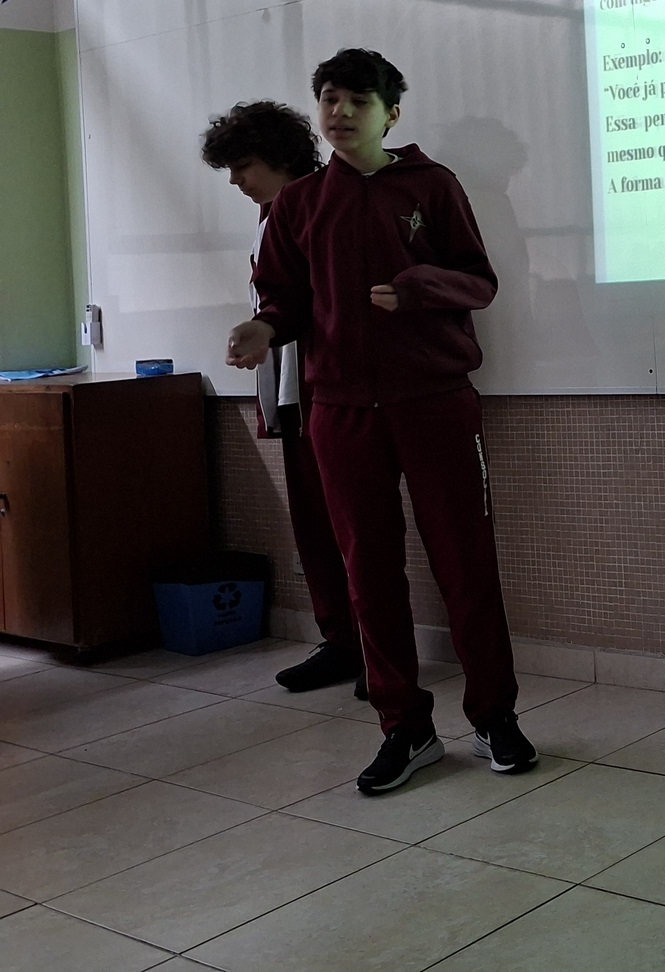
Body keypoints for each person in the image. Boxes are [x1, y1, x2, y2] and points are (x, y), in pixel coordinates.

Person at [225, 49, 537, 795]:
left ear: (390, 114)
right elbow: (285, 300)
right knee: (368, 571)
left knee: (466, 564)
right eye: (329, 99)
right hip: (339, 413)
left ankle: (494, 716)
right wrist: (264, 328)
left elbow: (479, 282)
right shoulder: (299, 205)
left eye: (357, 101)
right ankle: (404, 726)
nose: (340, 113)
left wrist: (419, 287)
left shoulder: (433, 185)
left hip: (434, 402)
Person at [200, 101, 364, 699]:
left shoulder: (325, 205)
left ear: (279, 157)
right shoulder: (271, 215)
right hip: (290, 391)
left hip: (331, 389)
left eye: (243, 166)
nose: (236, 181)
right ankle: (341, 641)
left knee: (352, 527)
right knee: (314, 524)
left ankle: (377, 649)